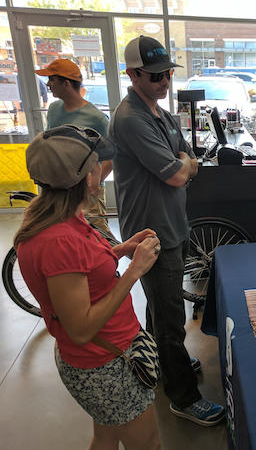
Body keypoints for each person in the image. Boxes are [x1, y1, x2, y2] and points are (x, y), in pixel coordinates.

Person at [15, 126, 161, 449]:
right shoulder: (59, 241)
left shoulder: (59, 216)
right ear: (83, 177)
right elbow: (80, 329)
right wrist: (134, 272)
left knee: (106, 438)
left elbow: (85, 269)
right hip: (104, 364)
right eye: (96, 163)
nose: (101, 168)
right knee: (149, 443)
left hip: (99, 357)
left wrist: (121, 250)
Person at [109, 35, 225, 426]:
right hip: (152, 232)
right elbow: (178, 173)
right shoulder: (131, 119)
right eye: (155, 75)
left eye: (167, 74)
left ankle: (160, 360)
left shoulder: (161, 113)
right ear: (133, 74)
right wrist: (183, 166)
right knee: (171, 317)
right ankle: (183, 396)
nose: (164, 81)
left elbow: (188, 157)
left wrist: (184, 165)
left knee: (161, 305)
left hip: (173, 223)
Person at [36, 59, 113, 235]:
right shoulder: (54, 109)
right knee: (65, 234)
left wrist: (93, 185)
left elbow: (111, 157)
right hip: (58, 188)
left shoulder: (96, 118)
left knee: (98, 235)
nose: (48, 84)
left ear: (66, 83)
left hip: (86, 191)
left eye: (52, 79)